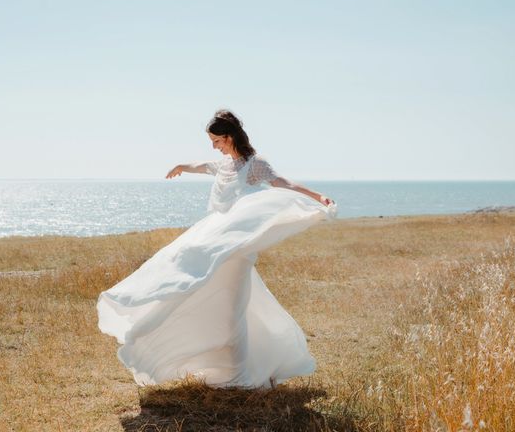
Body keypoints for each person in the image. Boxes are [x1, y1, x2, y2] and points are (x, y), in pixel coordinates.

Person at [97, 109, 337, 389]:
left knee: (231, 310)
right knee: (216, 301)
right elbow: (202, 165)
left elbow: (281, 183)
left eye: (217, 141)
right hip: (215, 243)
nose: (214, 146)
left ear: (230, 136)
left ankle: (239, 378)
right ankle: (236, 368)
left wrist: (317, 196)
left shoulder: (254, 164)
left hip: (236, 248)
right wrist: (181, 166)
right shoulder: (224, 165)